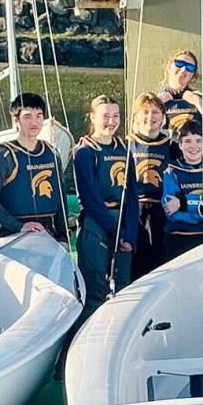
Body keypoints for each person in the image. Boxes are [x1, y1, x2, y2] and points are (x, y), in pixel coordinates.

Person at [73, 95, 138, 325]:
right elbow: (90, 199)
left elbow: (132, 195)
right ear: (92, 117)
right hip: (97, 224)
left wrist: (130, 235)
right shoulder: (84, 152)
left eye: (116, 116)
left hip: (123, 223)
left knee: (124, 288)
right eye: (105, 116)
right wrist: (116, 232)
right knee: (96, 291)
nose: (111, 121)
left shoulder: (124, 148)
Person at [0, 92, 68, 242]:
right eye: (27, 117)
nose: (34, 122)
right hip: (15, 236)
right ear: (16, 120)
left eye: (38, 116)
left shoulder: (52, 153)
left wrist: (63, 237)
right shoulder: (5, 157)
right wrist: (18, 226)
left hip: (49, 235)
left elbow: (61, 198)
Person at [161, 120, 203, 260]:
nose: (193, 146)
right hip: (181, 239)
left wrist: (183, 203)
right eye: (188, 141)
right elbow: (171, 211)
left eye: (198, 141)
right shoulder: (171, 172)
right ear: (180, 145)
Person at [126, 93, 171, 279]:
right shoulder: (127, 144)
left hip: (162, 210)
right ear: (136, 116)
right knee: (136, 263)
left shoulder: (171, 146)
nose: (150, 117)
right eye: (145, 112)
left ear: (163, 117)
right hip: (134, 209)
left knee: (160, 261)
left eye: (155, 112)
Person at [157, 50, 203, 155]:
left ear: (193, 75)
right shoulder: (153, 99)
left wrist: (197, 101)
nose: (183, 69)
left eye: (190, 68)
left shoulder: (202, 97)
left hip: (198, 162)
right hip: (167, 161)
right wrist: (156, 104)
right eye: (179, 63)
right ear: (169, 66)